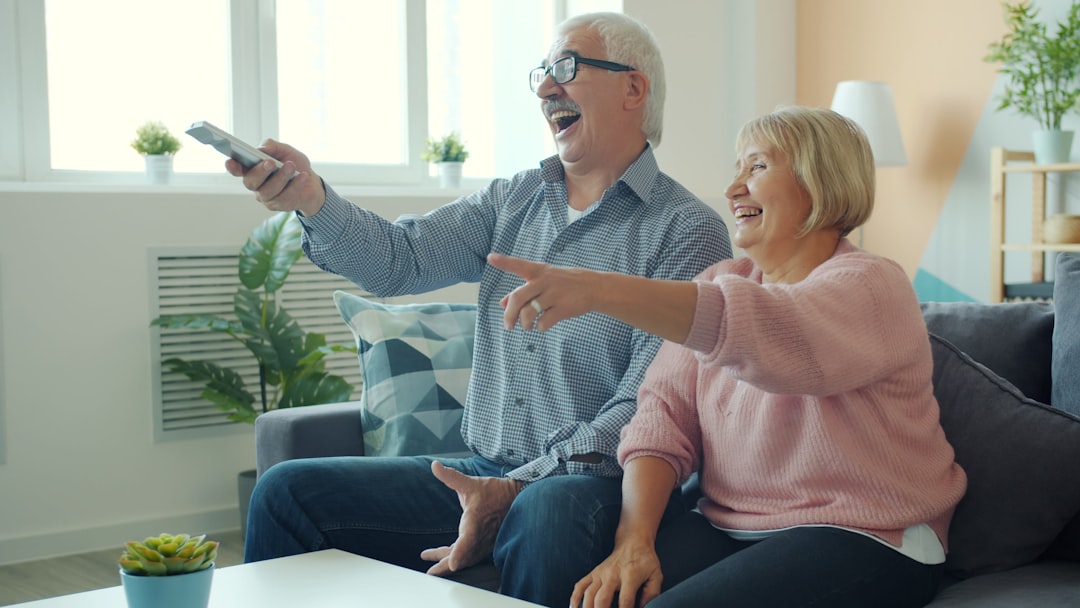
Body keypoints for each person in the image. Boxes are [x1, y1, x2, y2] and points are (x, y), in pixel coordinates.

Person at [228, 11, 731, 608]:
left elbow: (647, 404)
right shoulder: (512, 197)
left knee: (543, 510)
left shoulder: (687, 232)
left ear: (633, 87)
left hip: (595, 484)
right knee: (289, 490)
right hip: (481, 466)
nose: (546, 88)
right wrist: (311, 200)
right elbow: (400, 259)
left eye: (565, 68)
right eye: (540, 73)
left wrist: (517, 486)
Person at [490, 106, 968, 608]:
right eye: (738, 168)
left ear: (822, 181)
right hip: (733, 526)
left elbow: (774, 332)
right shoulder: (718, 281)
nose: (734, 188)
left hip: (871, 533)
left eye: (758, 167)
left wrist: (597, 289)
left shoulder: (872, 284)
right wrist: (634, 542)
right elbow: (661, 423)